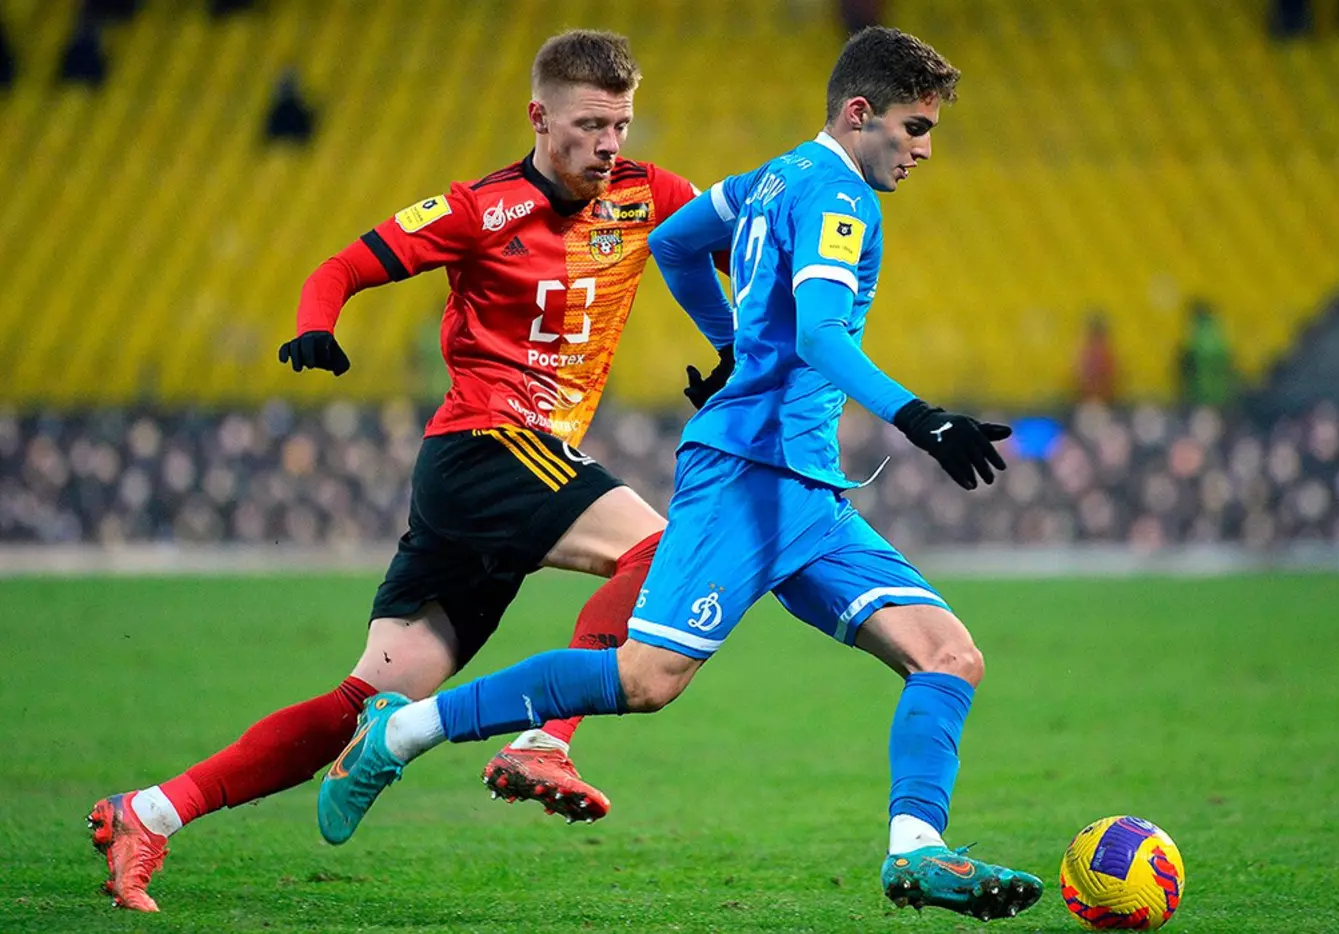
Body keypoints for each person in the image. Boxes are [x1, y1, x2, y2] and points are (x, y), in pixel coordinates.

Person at [319, 26, 1043, 923]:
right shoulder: (840, 199)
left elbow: (673, 243)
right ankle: (402, 729)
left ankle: (917, 850)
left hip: (808, 488)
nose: (925, 150)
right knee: (644, 680)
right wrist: (920, 418)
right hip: (747, 474)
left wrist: (735, 346)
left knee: (949, 656)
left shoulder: (769, 178)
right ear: (860, 113)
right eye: (915, 128)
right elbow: (821, 335)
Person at [88, 29, 726, 912]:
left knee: (364, 702)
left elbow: (744, 259)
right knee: (663, 548)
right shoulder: (478, 210)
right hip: (486, 447)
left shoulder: (650, 195)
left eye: (619, 124)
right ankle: (546, 739)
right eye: (589, 125)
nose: (609, 144)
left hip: (512, 473)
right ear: (540, 118)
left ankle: (149, 812)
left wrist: (740, 346)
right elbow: (343, 265)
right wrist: (318, 323)